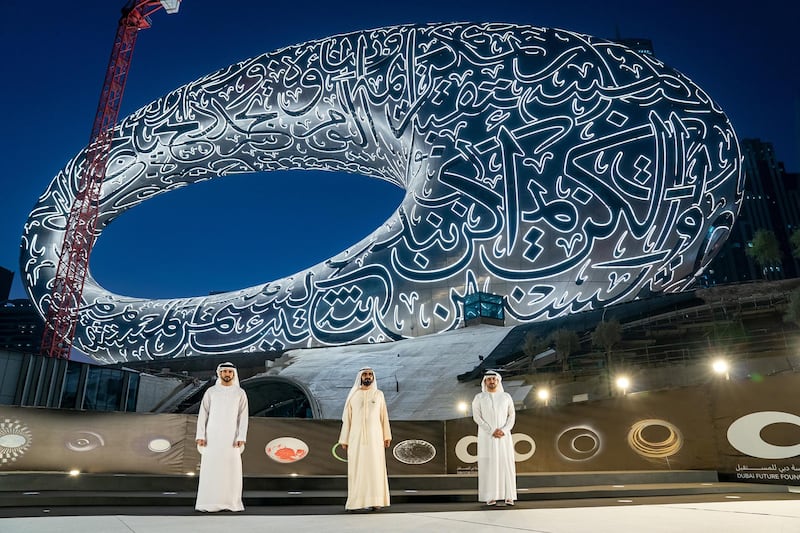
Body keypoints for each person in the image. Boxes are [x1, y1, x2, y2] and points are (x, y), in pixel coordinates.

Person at [195, 362, 249, 512]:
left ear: (233, 374)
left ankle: (231, 502)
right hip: (211, 437)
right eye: (224, 371)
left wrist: (241, 436)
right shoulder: (211, 392)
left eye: (229, 372)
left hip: (231, 438)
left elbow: (243, 417)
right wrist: (201, 435)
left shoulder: (240, 393)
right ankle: (207, 503)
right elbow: (203, 414)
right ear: (219, 373)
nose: (227, 374)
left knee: (231, 470)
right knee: (210, 469)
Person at [338, 367, 392, 511]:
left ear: (373, 377)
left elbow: (383, 416)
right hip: (356, 438)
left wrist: (387, 435)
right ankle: (355, 502)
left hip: (376, 438)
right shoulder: (353, 396)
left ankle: (376, 501)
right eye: (365, 374)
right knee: (357, 469)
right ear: (360, 377)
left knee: (375, 468)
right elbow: (347, 420)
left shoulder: (379, 394)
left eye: (370, 374)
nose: (367, 377)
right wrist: (345, 439)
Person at [472, 370, 517, 506]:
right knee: (488, 465)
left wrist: (503, 430)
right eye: (489, 379)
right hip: (487, 437)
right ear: (485, 381)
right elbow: (477, 417)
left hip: (504, 436)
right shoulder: (479, 398)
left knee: (505, 463)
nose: (492, 381)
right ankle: (490, 496)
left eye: (494, 379)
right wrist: (491, 430)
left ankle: (509, 496)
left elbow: (512, 416)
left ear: (498, 381)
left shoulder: (506, 397)